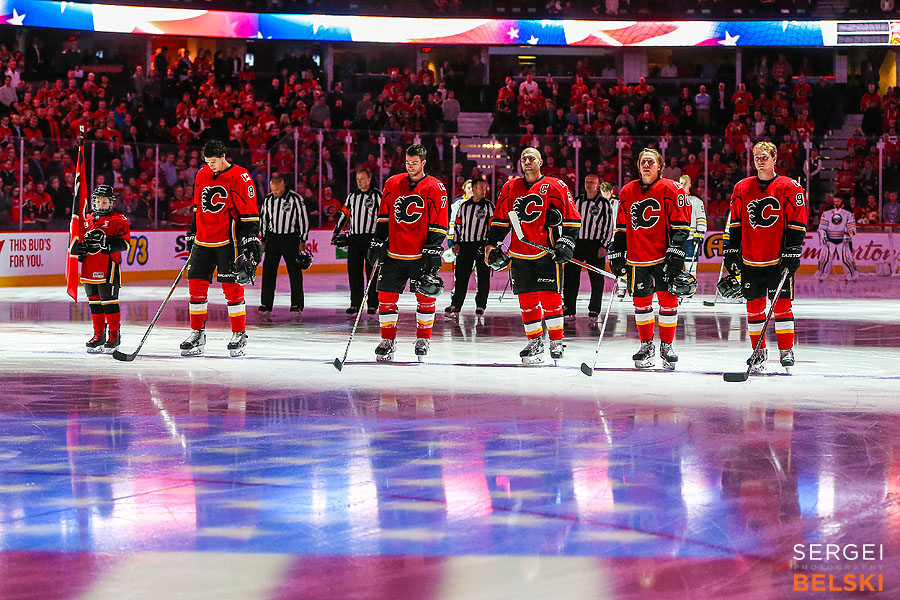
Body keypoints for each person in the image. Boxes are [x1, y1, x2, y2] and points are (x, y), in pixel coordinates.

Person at [483, 147, 581, 365]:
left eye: (531, 158)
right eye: (524, 158)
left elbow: (573, 219)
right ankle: (535, 341)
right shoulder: (510, 187)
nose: (527, 161)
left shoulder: (556, 186)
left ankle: (556, 341)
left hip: (548, 253)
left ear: (540, 162)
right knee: (527, 301)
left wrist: (566, 242)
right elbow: (500, 220)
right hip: (519, 254)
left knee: (551, 299)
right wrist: (491, 243)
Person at [721, 141, 807, 373]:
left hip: (778, 260)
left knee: (782, 306)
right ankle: (758, 351)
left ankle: (786, 350)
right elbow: (736, 223)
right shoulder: (741, 187)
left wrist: (793, 250)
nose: (760, 160)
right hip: (750, 259)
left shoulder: (789, 187)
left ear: (774, 158)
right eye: (757, 156)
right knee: (754, 308)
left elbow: (797, 222)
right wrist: (731, 250)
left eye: (764, 156)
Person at [608, 148, 691, 370]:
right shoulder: (627, 191)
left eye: (651, 162)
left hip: (663, 258)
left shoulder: (673, 189)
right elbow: (622, 227)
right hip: (637, 259)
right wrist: (617, 251)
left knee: (668, 303)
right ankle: (646, 346)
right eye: (643, 161)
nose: (646, 165)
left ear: (659, 166)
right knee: (642, 304)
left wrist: (676, 250)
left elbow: (682, 225)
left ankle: (666, 346)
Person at [368, 144, 449, 362]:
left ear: (423, 162)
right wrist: (377, 241)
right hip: (394, 254)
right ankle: (388, 340)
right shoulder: (392, 183)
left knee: (425, 297)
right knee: (385, 298)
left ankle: (423, 339)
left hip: (420, 255)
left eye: (414, 163)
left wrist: (434, 247)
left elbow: (440, 221)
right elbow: (384, 216)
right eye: (407, 162)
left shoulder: (435, 187)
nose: (410, 166)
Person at [181, 139, 260, 357]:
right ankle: (197, 333)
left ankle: (239, 334)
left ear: (223, 156)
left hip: (229, 240)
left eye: (213, 161)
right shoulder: (202, 174)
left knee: (231, 287)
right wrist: (192, 230)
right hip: (203, 240)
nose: (210, 166)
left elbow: (249, 210)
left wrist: (250, 237)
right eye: (207, 162)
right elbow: (198, 206)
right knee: (195, 286)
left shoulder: (241, 176)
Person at [69, 185, 131, 354]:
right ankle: (99, 335)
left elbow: (125, 244)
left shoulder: (119, 219)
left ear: (111, 203)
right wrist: (79, 251)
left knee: (109, 302)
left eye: (105, 202)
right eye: (98, 201)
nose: (101, 204)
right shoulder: (87, 219)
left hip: (108, 266)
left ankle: (114, 335)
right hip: (89, 266)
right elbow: (78, 240)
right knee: (94, 302)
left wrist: (108, 245)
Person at [563, 176, 615, 321]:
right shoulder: (577, 201)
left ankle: (594, 309)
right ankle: (568, 307)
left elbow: (609, 226)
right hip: (577, 243)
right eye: (587, 182)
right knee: (571, 276)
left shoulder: (604, 204)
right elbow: (570, 221)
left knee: (596, 278)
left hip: (595, 245)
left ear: (598, 185)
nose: (589, 184)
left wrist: (604, 245)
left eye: (592, 182)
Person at [258, 175, 310, 317]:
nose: (274, 192)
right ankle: (266, 303)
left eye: (276, 190)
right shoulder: (268, 199)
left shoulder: (295, 198)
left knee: (294, 272)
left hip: (290, 238)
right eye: (272, 190)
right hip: (273, 238)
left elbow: (303, 219)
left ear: (282, 186)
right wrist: (263, 238)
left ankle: (296, 304)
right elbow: (263, 219)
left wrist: (302, 240)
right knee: (268, 271)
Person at [332, 168, 381, 316]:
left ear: (369, 179)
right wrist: (336, 231)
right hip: (354, 239)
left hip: (371, 238)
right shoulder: (352, 196)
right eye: (357, 179)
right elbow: (344, 214)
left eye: (362, 179)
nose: (359, 182)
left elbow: (384, 216)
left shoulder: (377, 195)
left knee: (372, 272)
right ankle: (355, 303)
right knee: (354, 272)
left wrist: (382, 237)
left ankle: (372, 304)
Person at [444, 177, 493, 317]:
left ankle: (481, 305)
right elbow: (458, 226)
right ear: (473, 188)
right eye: (481, 187)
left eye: (485, 188)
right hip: (465, 245)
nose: (484, 190)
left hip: (481, 245)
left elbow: (492, 227)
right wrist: (456, 243)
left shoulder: (489, 207)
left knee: (483, 277)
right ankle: (456, 305)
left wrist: (489, 245)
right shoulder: (463, 206)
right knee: (461, 277)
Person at [815, 194, 857, 282]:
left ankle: (852, 275)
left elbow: (851, 226)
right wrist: (823, 233)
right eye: (835, 201)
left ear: (841, 200)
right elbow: (822, 225)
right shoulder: (827, 210)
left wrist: (848, 234)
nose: (836, 203)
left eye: (838, 201)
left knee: (845, 259)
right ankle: (821, 275)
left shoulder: (848, 211)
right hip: (830, 239)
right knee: (826, 259)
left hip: (842, 240)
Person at [679, 174, 707, 271]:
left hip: (691, 239)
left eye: (685, 183)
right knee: (675, 266)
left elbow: (701, 218)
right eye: (681, 183)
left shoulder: (696, 201)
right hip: (678, 239)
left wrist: (700, 233)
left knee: (691, 268)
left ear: (690, 184)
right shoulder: (675, 201)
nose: (682, 185)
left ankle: (691, 285)